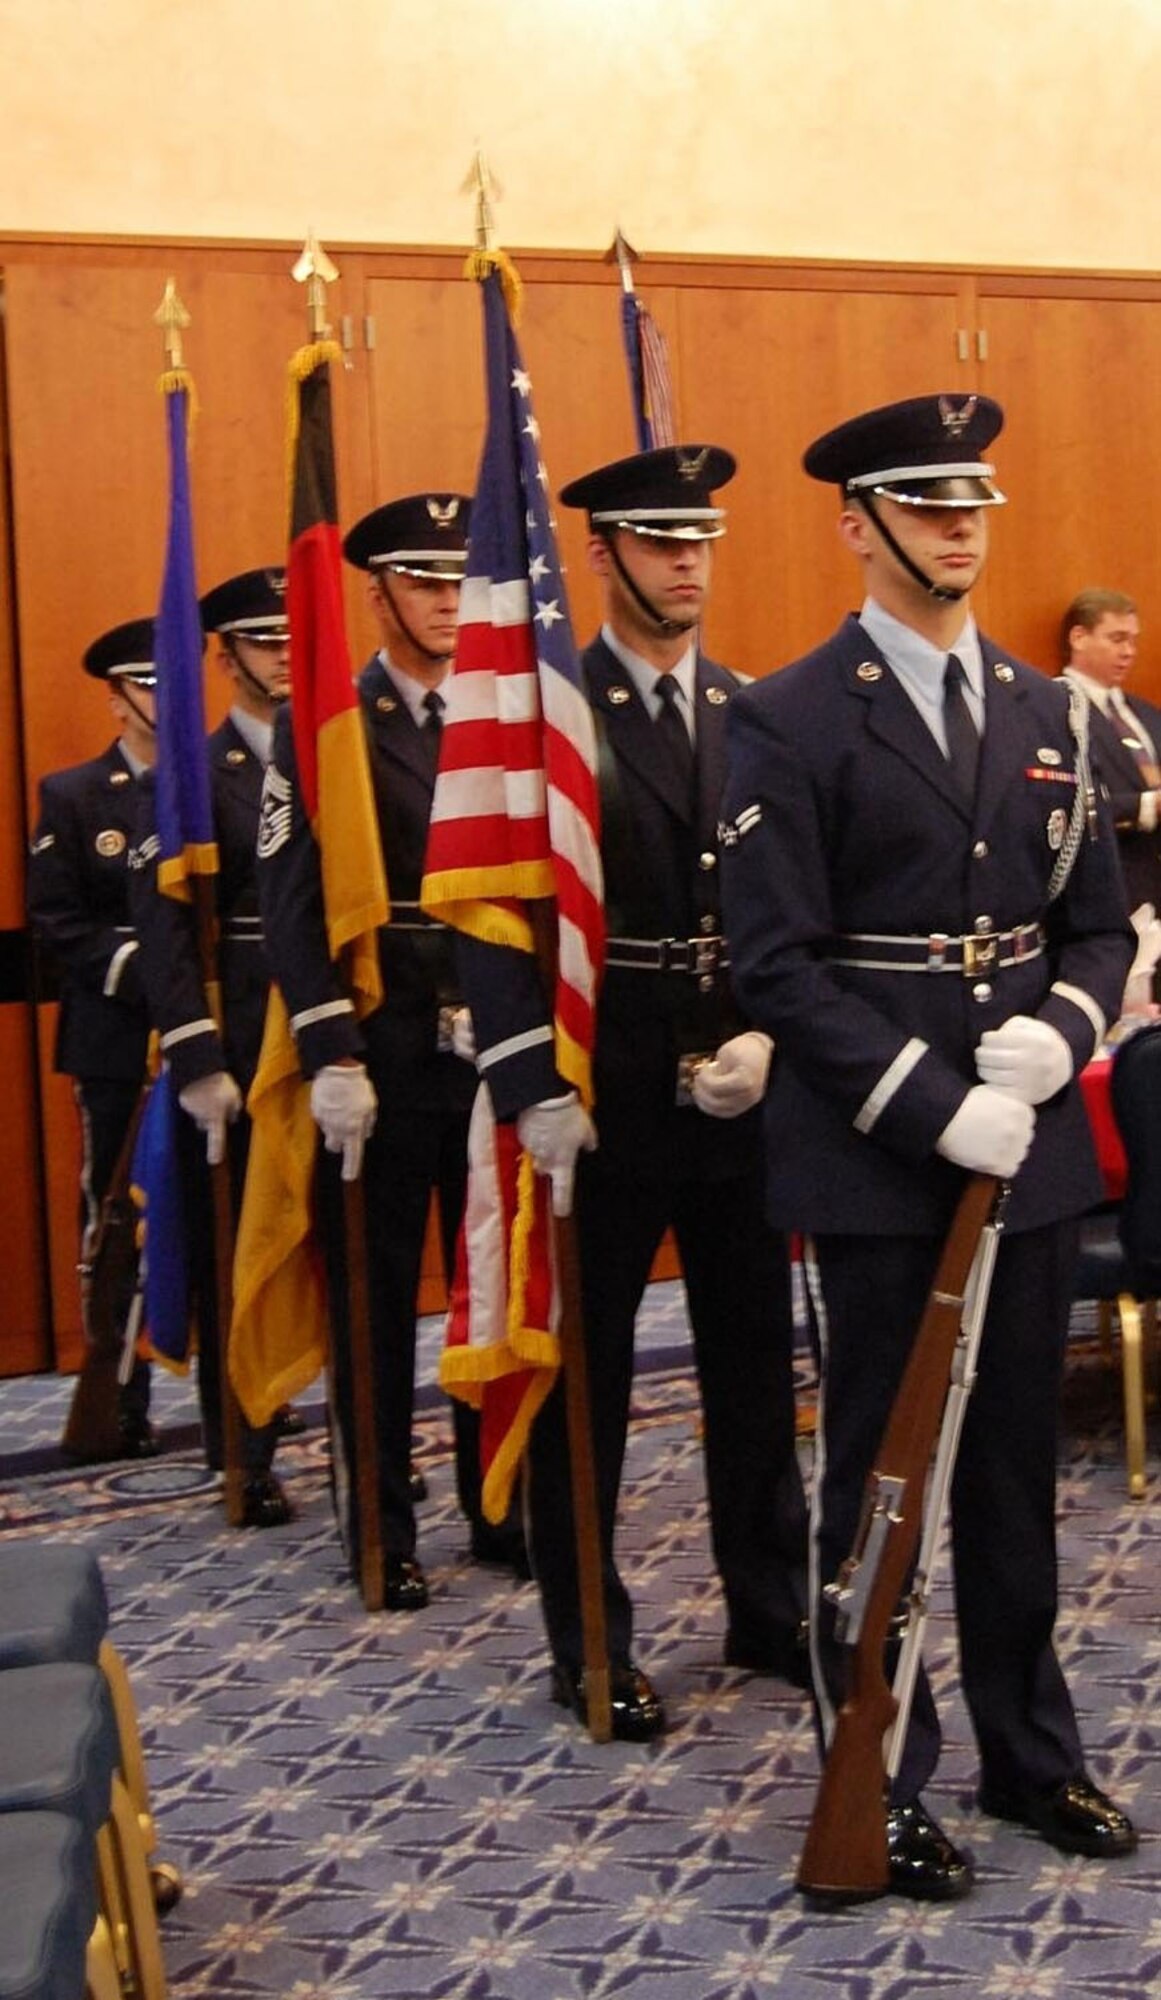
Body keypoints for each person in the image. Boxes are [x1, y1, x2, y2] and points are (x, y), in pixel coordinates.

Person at [719, 393, 1138, 1901]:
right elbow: (772, 965)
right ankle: (877, 1774)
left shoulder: (1049, 712)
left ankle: (1033, 1753)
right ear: (858, 524)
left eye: (978, 502)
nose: (962, 525)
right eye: (927, 501)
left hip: (1025, 1150)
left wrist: (1073, 1027)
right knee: (882, 1485)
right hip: (878, 1160)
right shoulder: (783, 715)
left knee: (1013, 1475)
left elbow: (1096, 921)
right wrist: (925, 1093)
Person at [456, 444, 810, 1742]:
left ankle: (765, 1603)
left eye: (701, 540)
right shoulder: (545, 712)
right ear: (598, 554)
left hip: (735, 1081)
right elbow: (489, 910)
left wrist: (774, 1037)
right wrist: (524, 1079)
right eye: (659, 542)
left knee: (753, 1369)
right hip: (595, 1090)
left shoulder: (751, 707)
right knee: (586, 1376)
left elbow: (786, 903)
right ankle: (587, 1631)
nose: (687, 563)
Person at [256, 493, 525, 1608]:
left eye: (461, 582)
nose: (448, 604)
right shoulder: (327, 718)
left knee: (493, 1287)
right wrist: (329, 1051)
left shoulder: (502, 705)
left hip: (492, 1045)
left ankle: (494, 1505)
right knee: (373, 1308)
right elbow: (290, 899)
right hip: (384, 1046)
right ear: (376, 593)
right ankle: (382, 1524)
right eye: (423, 582)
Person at [129, 568, 294, 1528]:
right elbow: (162, 927)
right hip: (237, 1040)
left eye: (288, 637)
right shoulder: (198, 774)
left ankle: (368, 1449)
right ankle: (246, 1455)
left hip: (325, 1039)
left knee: (331, 1246)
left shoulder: (332, 756)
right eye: (259, 641)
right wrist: (195, 1058)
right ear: (224, 658)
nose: (280, 654)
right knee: (238, 1253)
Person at [28, 618, 161, 1460]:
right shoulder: (75, 795)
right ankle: (116, 1398)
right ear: (116, 699)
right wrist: (150, 969)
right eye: (148, 685)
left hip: (211, 1037)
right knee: (113, 1224)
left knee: (220, 1215)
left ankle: (241, 1395)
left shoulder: (221, 782)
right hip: (117, 1039)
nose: (165, 699)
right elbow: (56, 923)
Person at [1059, 588, 1161, 915]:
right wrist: (1144, 807)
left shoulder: (1146, 713)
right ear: (1079, 637)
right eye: (1117, 639)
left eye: (1133, 640)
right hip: (1111, 897)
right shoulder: (1055, 708)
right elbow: (1061, 800)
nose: (1129, 651)